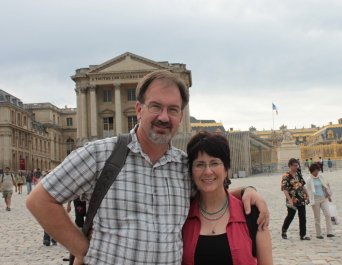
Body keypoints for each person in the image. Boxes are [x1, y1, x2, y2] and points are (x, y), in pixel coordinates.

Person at [27, 70, 269, 265]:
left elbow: (211, 193)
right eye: (156, 106)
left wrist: (247, 191)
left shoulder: (183, 167)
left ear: (181, 117)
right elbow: (39, 200)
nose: (164, 117)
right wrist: (86, 250)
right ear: (139, 110)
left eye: (172, 109)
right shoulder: (100, 154)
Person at [182, 131, 273, 264]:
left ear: (226, 169)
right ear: (191, 172)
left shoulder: (252, 214)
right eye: (200, 164)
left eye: (214, 163)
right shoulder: (182, 215)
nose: (208, 171)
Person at [280, 158, 310, 241]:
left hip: (301, 199)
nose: (297, 167)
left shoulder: (298, 175)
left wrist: (307, 195)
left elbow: (303, 186)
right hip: (292, 200)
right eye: (295, 165)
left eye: (298, 165)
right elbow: (284, 188)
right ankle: (284, 230)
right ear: (290, 166)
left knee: (303, 217)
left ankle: (303, 234)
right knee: (290, 216)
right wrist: (289, 199)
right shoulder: (286, 176)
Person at [306, 164, 334, 239]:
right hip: (315, 198)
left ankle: (329, 232)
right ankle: (319, 233)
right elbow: (308, 190)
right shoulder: (309, 179)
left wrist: (328, 197)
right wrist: (308, 199)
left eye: (317, 171)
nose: (316, 172)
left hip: (323, 198)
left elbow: (325, 187)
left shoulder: (321, 177)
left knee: (327, 214)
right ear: (311, 171)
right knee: (317, 217)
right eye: (314, 171)